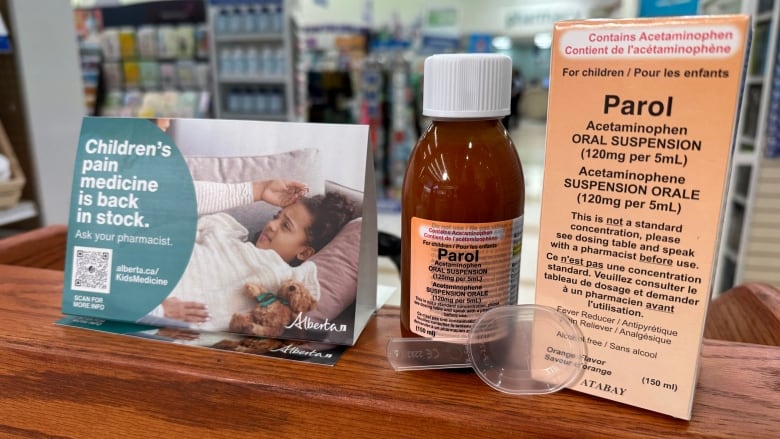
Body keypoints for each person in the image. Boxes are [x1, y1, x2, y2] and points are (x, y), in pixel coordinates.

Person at [138, 186, 356, 333]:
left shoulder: (281, 277)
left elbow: (307, 300)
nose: (271, 225)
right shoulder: (226, 234)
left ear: (305, 253)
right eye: (276, 217)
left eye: (285, 226)